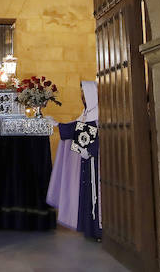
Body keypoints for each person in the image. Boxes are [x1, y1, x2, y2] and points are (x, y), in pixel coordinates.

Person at [47, 80, 102, 240]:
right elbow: (76, 127)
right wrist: (58, 124)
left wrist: (89, 150)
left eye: (85, 94)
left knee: (94, 195)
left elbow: (93, 132)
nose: (83, 97)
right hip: (86, 160)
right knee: (85, 192)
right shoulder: (86, 113)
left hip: (94, 161)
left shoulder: (97, 113)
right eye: (82, 94)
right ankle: (88, 229)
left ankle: (97, 230)